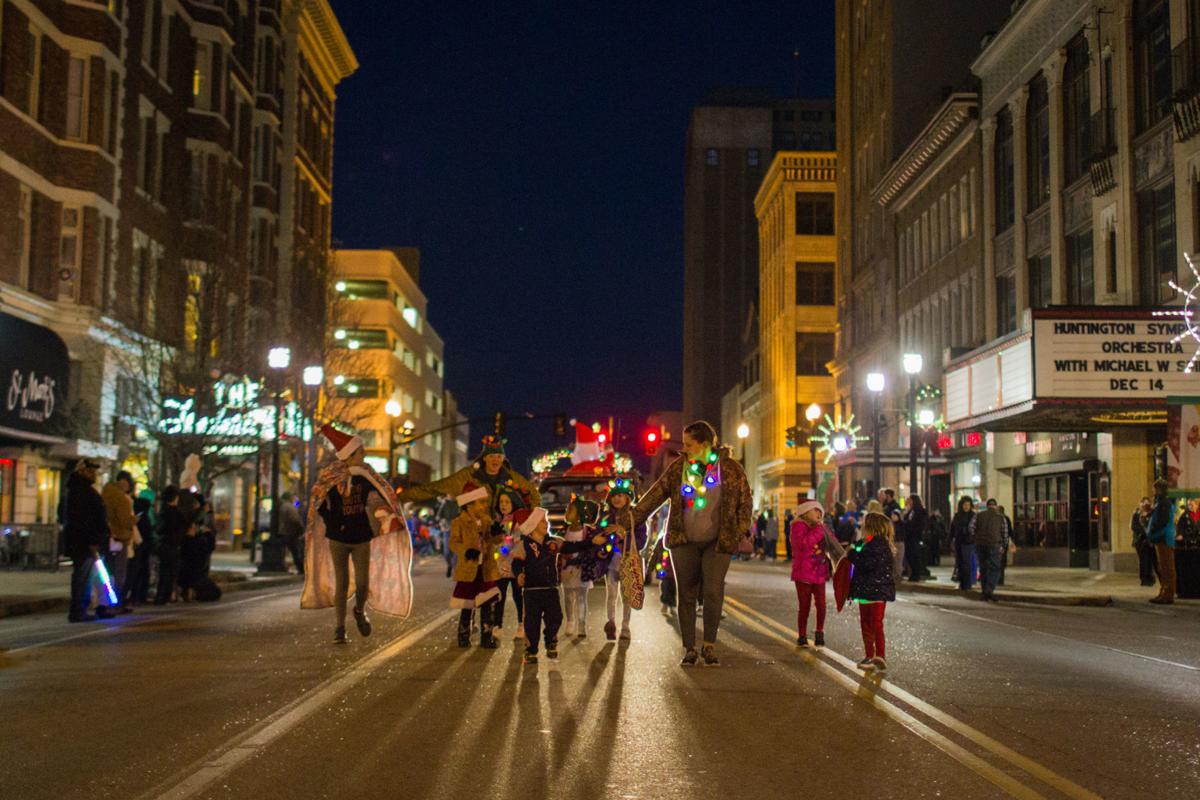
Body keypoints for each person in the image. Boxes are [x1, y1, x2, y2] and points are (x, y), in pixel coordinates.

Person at [631, 420, 753, 667]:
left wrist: (737, 532)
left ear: (705, 444)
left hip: (718, 543)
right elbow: (655, 495)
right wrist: (630, 519)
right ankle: (689, 648)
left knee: (712, 590)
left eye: (689, 444)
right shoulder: (679, 469)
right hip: (683, 540)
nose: (684, 448)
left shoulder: (730, 470)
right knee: (685, 593)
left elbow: (745, 504)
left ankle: (709, 645)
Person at [302, 424, 413, 643]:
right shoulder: (331, 478)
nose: (364, 455)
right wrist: (334, 522)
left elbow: (379, 499)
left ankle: (359, 611)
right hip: (337, 539)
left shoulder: (366, 477)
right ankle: (339, 628)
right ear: (350, 455)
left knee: (363, 583)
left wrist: (387, 517)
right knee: (341, 584)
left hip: (361, 537)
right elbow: (319, 503)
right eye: (361, 452)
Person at [510, 507, 606, 665]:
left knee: (555, 617)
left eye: (546, 521)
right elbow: (516, 563)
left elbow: (571, 546)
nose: (546, 524)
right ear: (533, 525)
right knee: (531, 622)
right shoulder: (524, 544)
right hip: (532, 590)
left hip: (550, 588)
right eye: (542, 521)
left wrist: (591, 542)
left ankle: (551, 643)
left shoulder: (553, 542)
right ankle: (531, 650)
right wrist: (519, 574)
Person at [400, 434, 541, 512]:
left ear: (503, 458)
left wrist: (528, 518)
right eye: (492, 456)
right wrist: (401, 498)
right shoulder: (468, 476)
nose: (495, 460)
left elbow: (533, 494)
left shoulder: (511, 477)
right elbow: (433, 488)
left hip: (501, 537)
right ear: (484, 458)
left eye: (499, 456)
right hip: (473, 534)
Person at [448, 481, 502, 647]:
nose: (485, 506)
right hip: (469, 568)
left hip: (486, 568)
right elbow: (453, 542)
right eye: (481, 502)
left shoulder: (486, 520)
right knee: (467, 603)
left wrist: (496, 533)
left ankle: (487, 637)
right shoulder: (459, 522)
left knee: (487, 602)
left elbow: (495, 541)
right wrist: (466, 550)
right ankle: (464, 636)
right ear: (469, 505)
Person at [790, 500, 844, 647]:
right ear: (806, 512)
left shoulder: (821, 527)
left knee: (821, 604)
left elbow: (832, 543)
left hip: (819, 571)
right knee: (805, 605)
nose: (819, 514)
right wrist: (819, 531)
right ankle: (802, 635)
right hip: (803, 573)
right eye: (816, 510)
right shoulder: (797, 526)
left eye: (821, 512)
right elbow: (803, 545)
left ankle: (820, 631)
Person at [597, 478, 647, 641]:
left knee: (627, 596)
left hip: (627, 562)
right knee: (611, 594)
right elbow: (598, 536)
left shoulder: (635, 518)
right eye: (614, 496)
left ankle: (625, 627)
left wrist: (623, 534)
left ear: (628, 498)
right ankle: (610, 623)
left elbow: (641, 540)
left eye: (621, 496)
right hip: (610, 563)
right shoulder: (605, 517)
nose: (617, 499)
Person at [846, 512, 896, 672]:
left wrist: (852, 553)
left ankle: (875, 655)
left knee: (871, 625)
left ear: (871, 528)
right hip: (872, 592)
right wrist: (857, 546)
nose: (862, 528)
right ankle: (874, 656)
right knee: (873, 624)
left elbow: (863, 563)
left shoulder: (876, 546)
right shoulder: (873, 544)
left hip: (872, 592)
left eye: (864, 526)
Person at [64, 459, 112, 622]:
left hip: (88, 541)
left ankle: (82, 608)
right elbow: (82, 519)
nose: (93, 475)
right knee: (82, 577)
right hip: (84, 543)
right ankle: (78, 610)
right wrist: (91, 540)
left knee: (87, 577)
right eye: (89, 471)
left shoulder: (83, 490)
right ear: (82, 471)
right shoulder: (79, 491)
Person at [560, 497, 598, 638]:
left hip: (582, 569)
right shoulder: (564, 530)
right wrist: (563, 556)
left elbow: (590, 547)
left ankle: (582, 624)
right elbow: (560, 546)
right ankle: (570, 621)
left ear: (579, 515)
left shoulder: (587, 531)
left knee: (582, 598)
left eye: (570, 510)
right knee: (568, 597)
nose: (567, 512)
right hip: (566, 569)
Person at [102, 470, 138, 612]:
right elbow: (125, 520)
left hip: (108, 537)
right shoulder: (120, 498)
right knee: (119, 573)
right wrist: (134, 520)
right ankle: (116, 602)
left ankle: (106, 602)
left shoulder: (105, 494)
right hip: (119, 537)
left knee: (109, 571)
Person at [492, 487, 527, 639]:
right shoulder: (499, 521)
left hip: (516, 563)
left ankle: (521, 623)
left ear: (514, 503)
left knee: (518, 596)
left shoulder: (518, 522)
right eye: (501, 502)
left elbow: (514, 541)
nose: (503, 505)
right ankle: (497, 625)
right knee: (500, 595)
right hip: (501, 566)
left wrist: (501, 552)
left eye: (507, 501)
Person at [154, 486, 190, 605]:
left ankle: (159, 596)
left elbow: (158, 529)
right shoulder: (175, 513)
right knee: (170, 572)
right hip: (172, 546)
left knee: (163, 572)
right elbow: (184, 526)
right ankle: (165, 597)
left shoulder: (162, 511)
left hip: (162, 545)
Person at [1146, 479, 1177, 605]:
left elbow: (1162, 521)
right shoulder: (1161, 502)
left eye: (1154, 488)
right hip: (1160, 538)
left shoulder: (1164, 503)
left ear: (1159, 489)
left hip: (1163, 538)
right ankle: (1164, 591)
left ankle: (1168, 594)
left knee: (1167, 567)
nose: (1153, 491)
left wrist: (1152, 530)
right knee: (1162, 566)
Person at [125, 489, 157, 606]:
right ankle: (138, 596)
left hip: (140, 547)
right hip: (141, 547)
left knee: (137, 572)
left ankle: (135, 596)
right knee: (141, 572)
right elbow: (146, 532)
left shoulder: (139, 515)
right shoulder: (144, 517)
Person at [973, 499, 1006, 602]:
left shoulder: (978, 515)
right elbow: (1004, 532)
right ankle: (989, 590)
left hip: (980, 544)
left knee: (983, 568)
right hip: (994, 544)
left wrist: (977, 538)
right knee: (995, 568)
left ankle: (984, 592)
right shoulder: (1000, 517)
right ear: (996, 506)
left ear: (987, 506)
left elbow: (971, 528)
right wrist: (1003, 545)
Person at [949, 497, 976, 590]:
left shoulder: (973, 515)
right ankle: (962, 582)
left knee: (966, 563)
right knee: (959, 563)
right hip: (959, 542)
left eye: (968, 505)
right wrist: (950, 539)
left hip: (968, 542)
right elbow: (952, 528)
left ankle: (967, 584)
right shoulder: (957, 516)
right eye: (965, 505)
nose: (966, 507)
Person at [901, 494, 929, 582]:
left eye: (909, 500)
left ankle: (916, 574)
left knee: (914, 555)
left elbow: (916, 523)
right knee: (910, 555)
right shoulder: (911, 510)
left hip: (914, 537)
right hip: (910, 537)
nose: (907, 501)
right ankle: (913, 574)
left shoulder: (918, 510)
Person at [279, 492, 306, 576]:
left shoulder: (283, 506)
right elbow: (295, 520)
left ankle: (285, 566)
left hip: (285, 532)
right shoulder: (290, 507)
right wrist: (301, 529)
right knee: (295, 551)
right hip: (291, 532)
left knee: (285, 551)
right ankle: (301, 569)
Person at [1131, 497, 1156, 587]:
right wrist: (1144, 531)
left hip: (1149, 541)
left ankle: (1150, 577)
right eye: (1143, 503)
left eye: (1147, 503)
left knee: (1150, 560)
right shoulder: (1136, 514)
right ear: (1140, 504)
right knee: (1143, 560)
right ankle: (1144, 579)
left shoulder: (1151, 514)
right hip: (1139, 540)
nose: (1145, 505)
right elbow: (1133, 526)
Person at [880, 489, 903, 580]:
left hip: (894, 536)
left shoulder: (895, 506)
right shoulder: (886, 505)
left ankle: (897, 576)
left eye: (884, 495)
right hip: (887, 534)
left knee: (897, 558)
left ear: (888, 495)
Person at [997, 505, 1015, 586]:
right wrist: (1012, 541)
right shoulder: (1006, 518)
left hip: (998, 542)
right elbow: (1010, 531)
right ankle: (1000, 580)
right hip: (1004, 543)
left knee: (997, 561)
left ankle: (998, 579)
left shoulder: (999, 519)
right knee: (1002, 561)